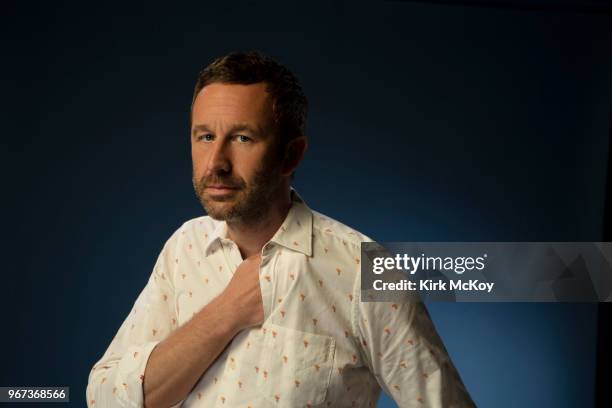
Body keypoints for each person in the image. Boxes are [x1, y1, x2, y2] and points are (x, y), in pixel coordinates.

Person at [86, 51, 475, 408]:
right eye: (205, 136)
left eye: (242, 138)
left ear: (292, 154)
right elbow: (105, 397)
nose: (216, 163)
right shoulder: (183, 248)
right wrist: (225, 314)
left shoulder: (365, 271)